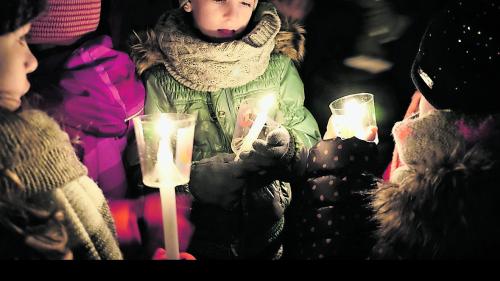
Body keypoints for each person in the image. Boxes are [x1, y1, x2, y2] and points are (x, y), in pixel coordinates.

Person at [280, 0, 500, 259]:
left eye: (425, 96)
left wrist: (338, 169)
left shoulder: (435, 197)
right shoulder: (423, 129)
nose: (416, 112)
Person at [130, 0, 321, 259]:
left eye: (244, 1)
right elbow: (148, 169)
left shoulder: (276, 66)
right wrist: (195, 183)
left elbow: (309, 143)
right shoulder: (160, 79)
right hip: (198, 242)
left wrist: (287, 148)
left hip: (270, 234)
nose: (232, 15)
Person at [25, 0, 194, 259]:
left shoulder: (36, 109)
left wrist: (135, 213)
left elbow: (40, 214)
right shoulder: (122, 76)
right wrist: (136, 211)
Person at [0, 0, 122, 259]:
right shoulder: (18, 159)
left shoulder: (35, 139)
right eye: (20, 39)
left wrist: (133, 215)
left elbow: (80, 222)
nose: (31, 61)